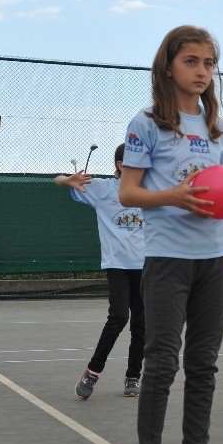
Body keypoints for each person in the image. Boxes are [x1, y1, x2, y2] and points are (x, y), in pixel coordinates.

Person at [118, 25, 223, 444]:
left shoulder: (218, 124)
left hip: (216, 257)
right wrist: (173, 195)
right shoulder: (147, 122)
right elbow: (127, 191)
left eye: (209, 63)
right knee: (160, 362)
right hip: (168, 259)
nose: (202, 71)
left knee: (203, 362)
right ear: (169, 65)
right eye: (191, 61)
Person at [53, 144, 145, 400]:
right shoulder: (103, 189)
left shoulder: (150, 191)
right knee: (118, 317)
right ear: (120, 164)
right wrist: (66, 179)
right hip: (117, 265)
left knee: (142, 324)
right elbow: (60, 180)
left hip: (146, 267)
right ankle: (93, 372)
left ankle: (133, 376)